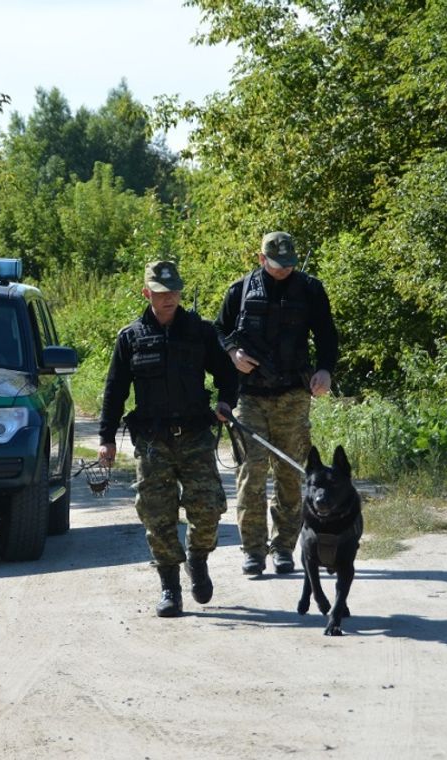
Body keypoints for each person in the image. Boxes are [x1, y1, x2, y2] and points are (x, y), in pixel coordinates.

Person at [98, 260, 238, 618]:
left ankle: (198, 557)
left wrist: (226, 401)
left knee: (208, 510)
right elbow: (115, 390)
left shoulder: (200, 332)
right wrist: (106, 437)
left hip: (195, 436)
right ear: (147, 293)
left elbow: (228, 374)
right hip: (152, 442)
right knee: (157, 517)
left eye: (174, 291)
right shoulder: (131, 337)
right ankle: (170, 588)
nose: (169, 299)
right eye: (161, 293)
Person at [214, 231, 339, 576]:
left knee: (289, 475)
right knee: (250, 474)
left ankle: (283, 547)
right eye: (276, 264)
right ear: (261, 259)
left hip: (292, 397)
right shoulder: (239, 291)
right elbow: (218, 330)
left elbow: (328, 334)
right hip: (250, 397)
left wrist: (325, 371)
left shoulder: (310, 290)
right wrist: (232, 353)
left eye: (288, 264)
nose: (283, 270)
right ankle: (253, 551)